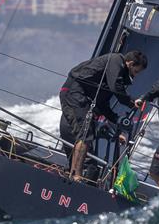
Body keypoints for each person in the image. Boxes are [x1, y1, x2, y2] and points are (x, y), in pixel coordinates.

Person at [59, 50, 148, 181]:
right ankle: (75, 176)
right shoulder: (116, 60)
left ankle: (72, 172)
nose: (135, 76)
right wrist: (131, 102)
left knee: (85, 132)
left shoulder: (110, 78)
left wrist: (116, 119)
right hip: (74, 92)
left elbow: (102, 104)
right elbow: (115, 86)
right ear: (130, 63)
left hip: (80, 96)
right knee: (85, 133)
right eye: (136, 72)